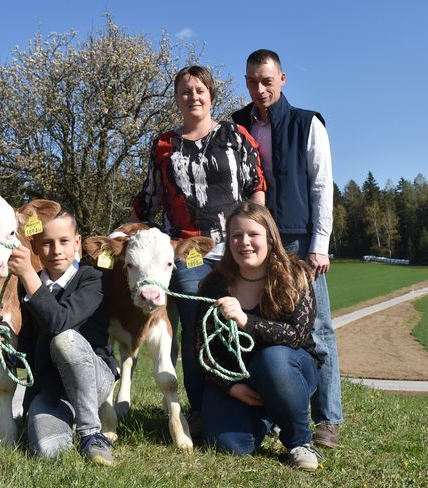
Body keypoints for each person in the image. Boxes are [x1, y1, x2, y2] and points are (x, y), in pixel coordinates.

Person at [131, 65, 266, 429]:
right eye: (185, 91)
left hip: (237, 247)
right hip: (186, 252)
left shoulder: (236, 136)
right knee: (196, 323)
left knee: (245, 318)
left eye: (199, 90)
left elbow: (256, 184)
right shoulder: (163, 145)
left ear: (211, 96)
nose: (193, 96)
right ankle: (200, 407)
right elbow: (150, 197)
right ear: (176, 98)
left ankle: (255, 398)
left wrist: (259, 230)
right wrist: (128, 228)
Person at [232, 49, 342, 448]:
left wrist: (320, 245)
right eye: (251, 81)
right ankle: (275, 413)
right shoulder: (237, 124)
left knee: (318, 327)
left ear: (283, 79)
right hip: (254, 240)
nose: (259, 89)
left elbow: (321, 186)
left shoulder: (306, 123)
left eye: (266, 80)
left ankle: (327, 419)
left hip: (297, 239)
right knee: (264, 326)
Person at [196, 201, 322, 470]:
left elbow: (296, 335)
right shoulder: (214, 285)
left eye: (253, 235)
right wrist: (230, 387)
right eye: (236, 236)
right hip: (238, 379)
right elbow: (202, 346)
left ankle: (299, 441)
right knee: (231, 445)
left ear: (269, 237)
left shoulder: (296, 275)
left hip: (289, 370)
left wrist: (245, 320)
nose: (245, 243)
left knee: (273, 359)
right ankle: (269, 416)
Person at [8, 202, 118, 465]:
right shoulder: (27, 289)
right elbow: (29, 348)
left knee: (65, 340)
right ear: (34, 247)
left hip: (94, 381)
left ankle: (91, 434)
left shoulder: (93, 280)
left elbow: (59, 322)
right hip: (50, 391)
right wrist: (7, 343)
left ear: (77, 243)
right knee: (49, 452)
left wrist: (26, 275)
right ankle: (65, 419)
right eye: (46, 243)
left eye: (64, 241)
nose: (56, 250)